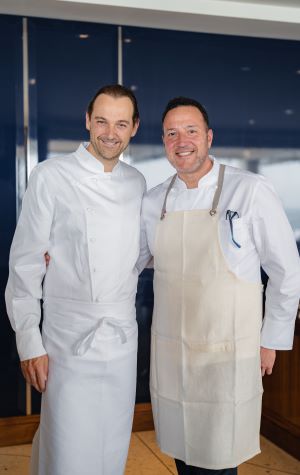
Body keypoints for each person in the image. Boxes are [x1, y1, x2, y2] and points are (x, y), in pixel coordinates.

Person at [138, 97, 300, 475]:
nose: (182, 141)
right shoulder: (153, 201)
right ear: (164, 141)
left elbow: (287, 271)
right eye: (172, 133)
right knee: (182, 450)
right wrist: (61, 259)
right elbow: (132, 261)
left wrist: (270, 339)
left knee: (219, 456)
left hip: (228, 350)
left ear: (209, 137)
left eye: (191, 131)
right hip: (172, 352)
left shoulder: (249, 190)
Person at [5, 84, 146, 475]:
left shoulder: (137, 182)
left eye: (120, 123)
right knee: (65, 447)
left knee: (113, 445)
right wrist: (29, 341)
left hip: (120, 337)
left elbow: (142, 254)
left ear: (133, 128)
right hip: (67, 339)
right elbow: (26, 264)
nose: (109, 132)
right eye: (101, 121)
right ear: (87, 121)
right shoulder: (51, 175)